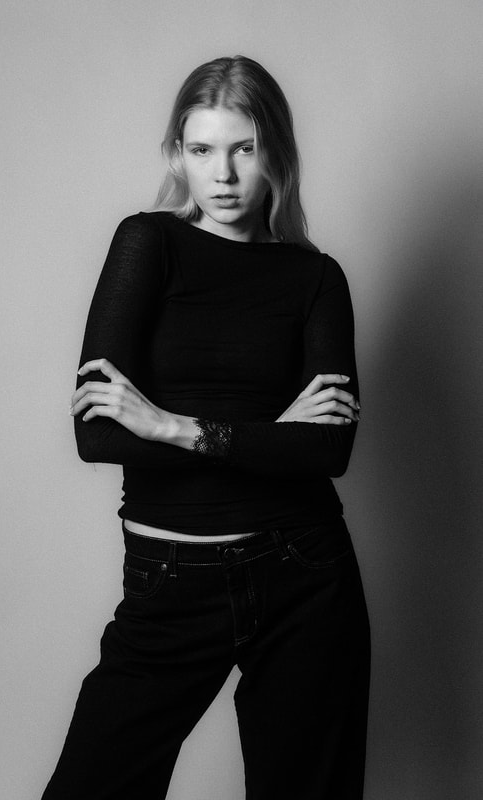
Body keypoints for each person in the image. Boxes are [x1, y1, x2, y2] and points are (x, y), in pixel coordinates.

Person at [41, 55, 370, 800]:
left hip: (304, 574)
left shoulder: (316, 278)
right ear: (176, 155)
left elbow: (328, 448)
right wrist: (268, 433)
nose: (222, 175)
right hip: (170, 581)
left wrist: (172, 425)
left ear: (276, 153)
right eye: (201, 149)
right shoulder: (147, 243)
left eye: (244, 149)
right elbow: (98, 435)